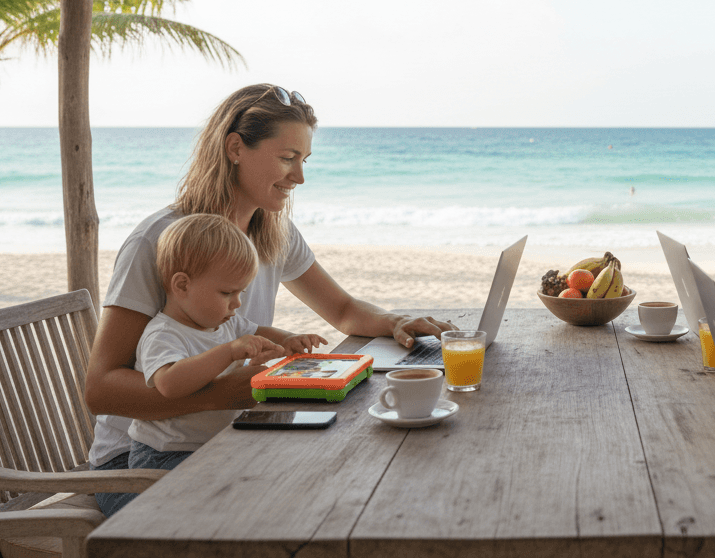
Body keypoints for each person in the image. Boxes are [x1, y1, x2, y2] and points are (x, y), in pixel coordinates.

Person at [86, 84, 454, 516]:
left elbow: (343, 311)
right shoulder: (163, 240)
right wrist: (226, 392)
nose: (299, 178)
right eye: (287, 158)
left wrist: (393, 321)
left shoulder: (273, 231)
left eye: (303, 160)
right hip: (134, 464)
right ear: (235, 148)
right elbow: (101, 390)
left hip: (219, 438)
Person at [128, 214, 327, 476]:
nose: (237, 304)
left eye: (241, 293)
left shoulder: (226, 323)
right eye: (227, 293)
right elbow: (168, 384)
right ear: (182, 285)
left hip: (214, 445)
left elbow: (261, 332)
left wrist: (287, 340)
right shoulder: (164, 334)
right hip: (165, 455)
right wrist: (229, 352)